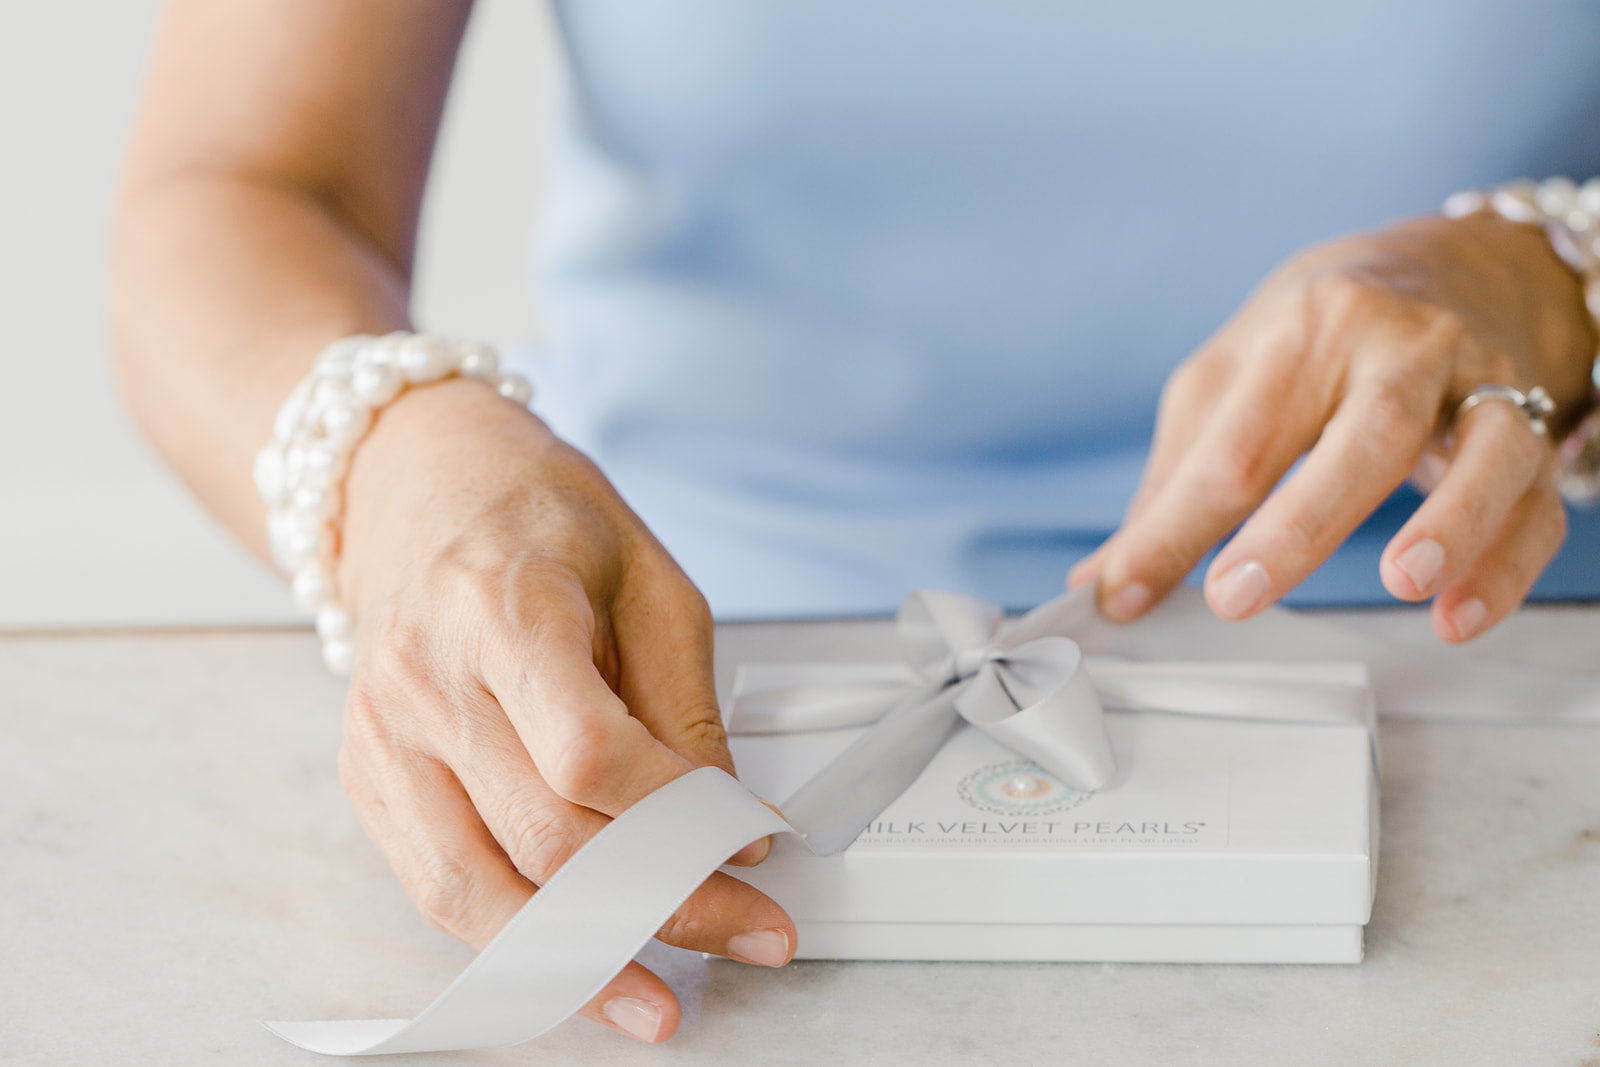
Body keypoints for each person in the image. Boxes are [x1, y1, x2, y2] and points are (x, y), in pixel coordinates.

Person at [111, 0, 1600, 1044]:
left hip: (1506, 684)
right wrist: (408, 466)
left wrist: (1562, 280)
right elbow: (236, 187)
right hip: (673, 689)